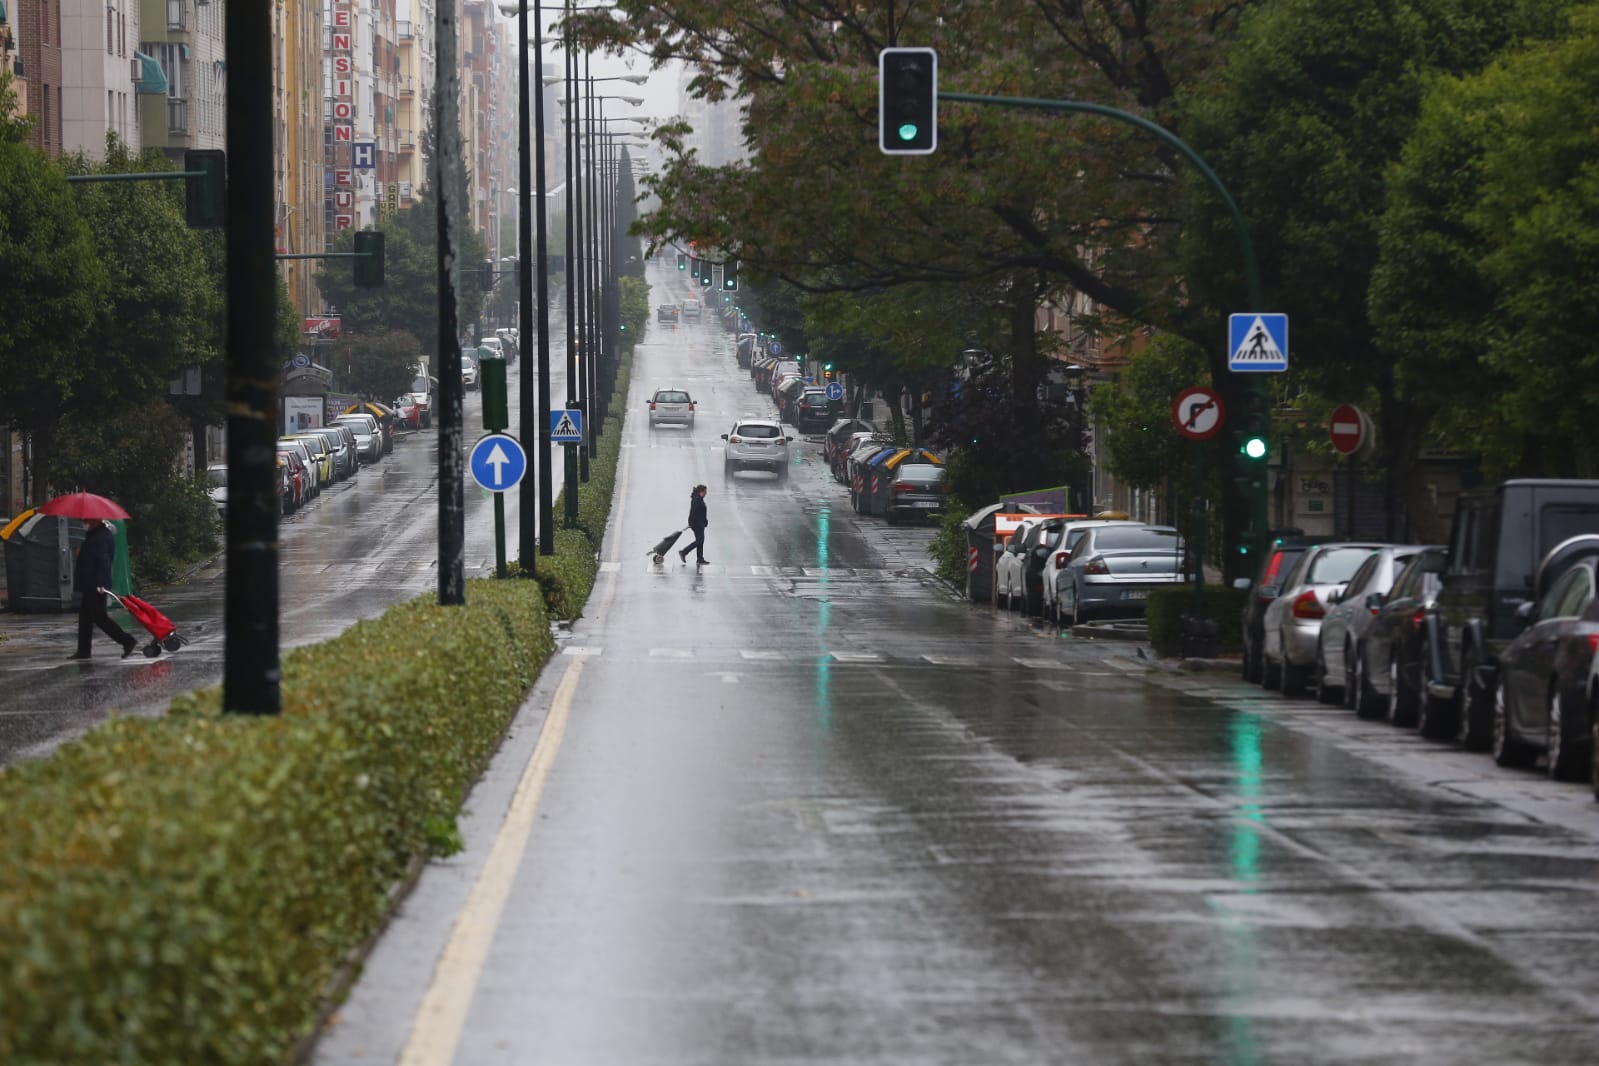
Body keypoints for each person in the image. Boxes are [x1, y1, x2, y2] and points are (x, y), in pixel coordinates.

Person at [70, 518, 137, 660]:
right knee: (85, 618)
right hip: (89, 582)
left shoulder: (101, 536)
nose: (84, 520)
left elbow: (103, 561)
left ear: (95, 520)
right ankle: (83, 650)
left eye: (87, 519)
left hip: (95, 583)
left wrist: (101, 583)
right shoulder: (94, 534)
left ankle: (126, 640)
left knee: (100, 617)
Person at [678, 484, 709, 566]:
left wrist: (705, 521)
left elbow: (701, 512)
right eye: (705, 492)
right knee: (700, 540)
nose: (706, 493)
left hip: (700, 523)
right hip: (697, 524)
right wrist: (692, 523)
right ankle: (684, 552)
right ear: (701, 491)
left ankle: (700, 558)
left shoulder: (698, 498)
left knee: (700, 541)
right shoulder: (697, 499)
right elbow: (693, 512)